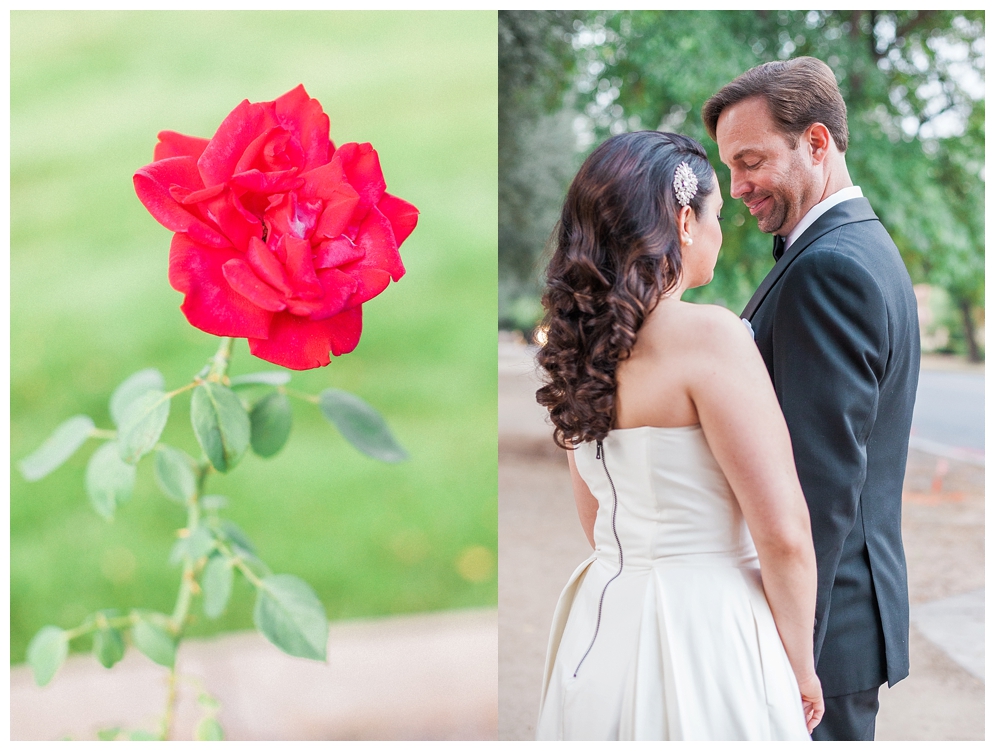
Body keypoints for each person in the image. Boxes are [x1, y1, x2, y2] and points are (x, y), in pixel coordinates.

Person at [533, 131, 823, 741]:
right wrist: (798, 665)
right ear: (684, 221)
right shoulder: (711, 337)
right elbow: (784, 534)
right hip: (709, 629)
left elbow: (596, 524)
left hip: (603, 624)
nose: (723, 230)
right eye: (716, 214)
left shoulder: (575, 350)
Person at [702, 57, 920, 741]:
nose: (736, 187)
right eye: (728, 168)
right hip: (842, 617)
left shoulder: (828, 267)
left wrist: (792, 650)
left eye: (750, 161)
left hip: (823, 634)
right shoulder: (855, 247)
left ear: (816, 143)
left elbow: (818, 486)